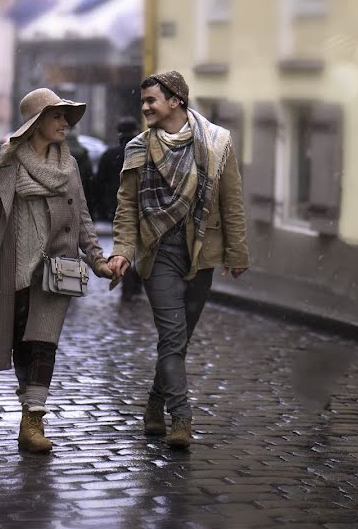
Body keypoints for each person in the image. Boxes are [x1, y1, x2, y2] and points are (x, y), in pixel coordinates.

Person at [108, 71, 249, 448]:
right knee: (171, 337)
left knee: (179, 340)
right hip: (158, 254)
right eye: (143, 101)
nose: (145, 107)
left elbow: (231, 202)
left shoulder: (217, 143)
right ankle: (181, 418)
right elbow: (127, 207)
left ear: (176, 101)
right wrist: (122, 251)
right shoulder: (138, 148)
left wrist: (236, 252)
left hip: (201, 253)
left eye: (151, 100)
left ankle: (155, 401)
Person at [0, 87, 113, 454]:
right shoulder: (4, 167)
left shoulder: (68, 167)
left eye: (65, 117)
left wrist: (98, 260)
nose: (65, 124)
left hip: (56, 268)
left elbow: (83, 217)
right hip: (13, 269)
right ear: (36, 122)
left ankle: (34, 419)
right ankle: (29, 405)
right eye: (57, 116)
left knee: (43, 344)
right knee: (21, 346)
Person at [94, 116, 143, 301]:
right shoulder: (142, 153)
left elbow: (99, 182)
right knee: (139, 245)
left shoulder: (109, 154)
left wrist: (101, 208)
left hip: (115, 207)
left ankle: (127, 281)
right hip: (139, 205)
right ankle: (134, 282)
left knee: (123, 244)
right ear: (136, 131)